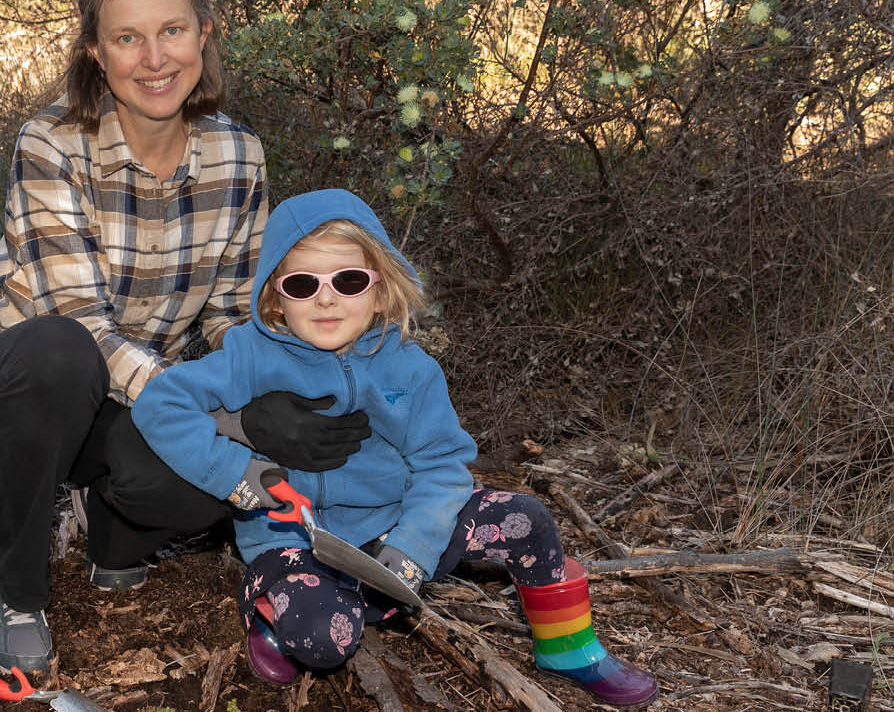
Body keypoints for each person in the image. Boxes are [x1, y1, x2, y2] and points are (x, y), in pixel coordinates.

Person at [0, 0, 371, 677]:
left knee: (217, 464)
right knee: (68, 355)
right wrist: (212, 411)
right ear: (96, 51)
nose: (154, 57)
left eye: (171, 30)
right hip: (7, 379)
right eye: (127, 38)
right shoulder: (53, 143)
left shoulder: (239, 156)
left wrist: (271, 393)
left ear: (204, 30)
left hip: (129, 389)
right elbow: (85, 329)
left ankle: (116, 528)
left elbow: (236, 313)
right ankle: (19, 585)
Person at [133, 189, 659, 707]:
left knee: (526, 517)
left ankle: (569, 647)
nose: (326, 298)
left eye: (349, 279)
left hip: (394, 527)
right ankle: (275, 605)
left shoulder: (410, 368)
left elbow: (443, 467)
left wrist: (413, 548)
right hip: (293, 537)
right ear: (274, 296)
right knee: (326, 642)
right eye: (302, 283)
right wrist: (236, 473)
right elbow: (160, 404)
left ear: (380, 290)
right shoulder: (247, 356)